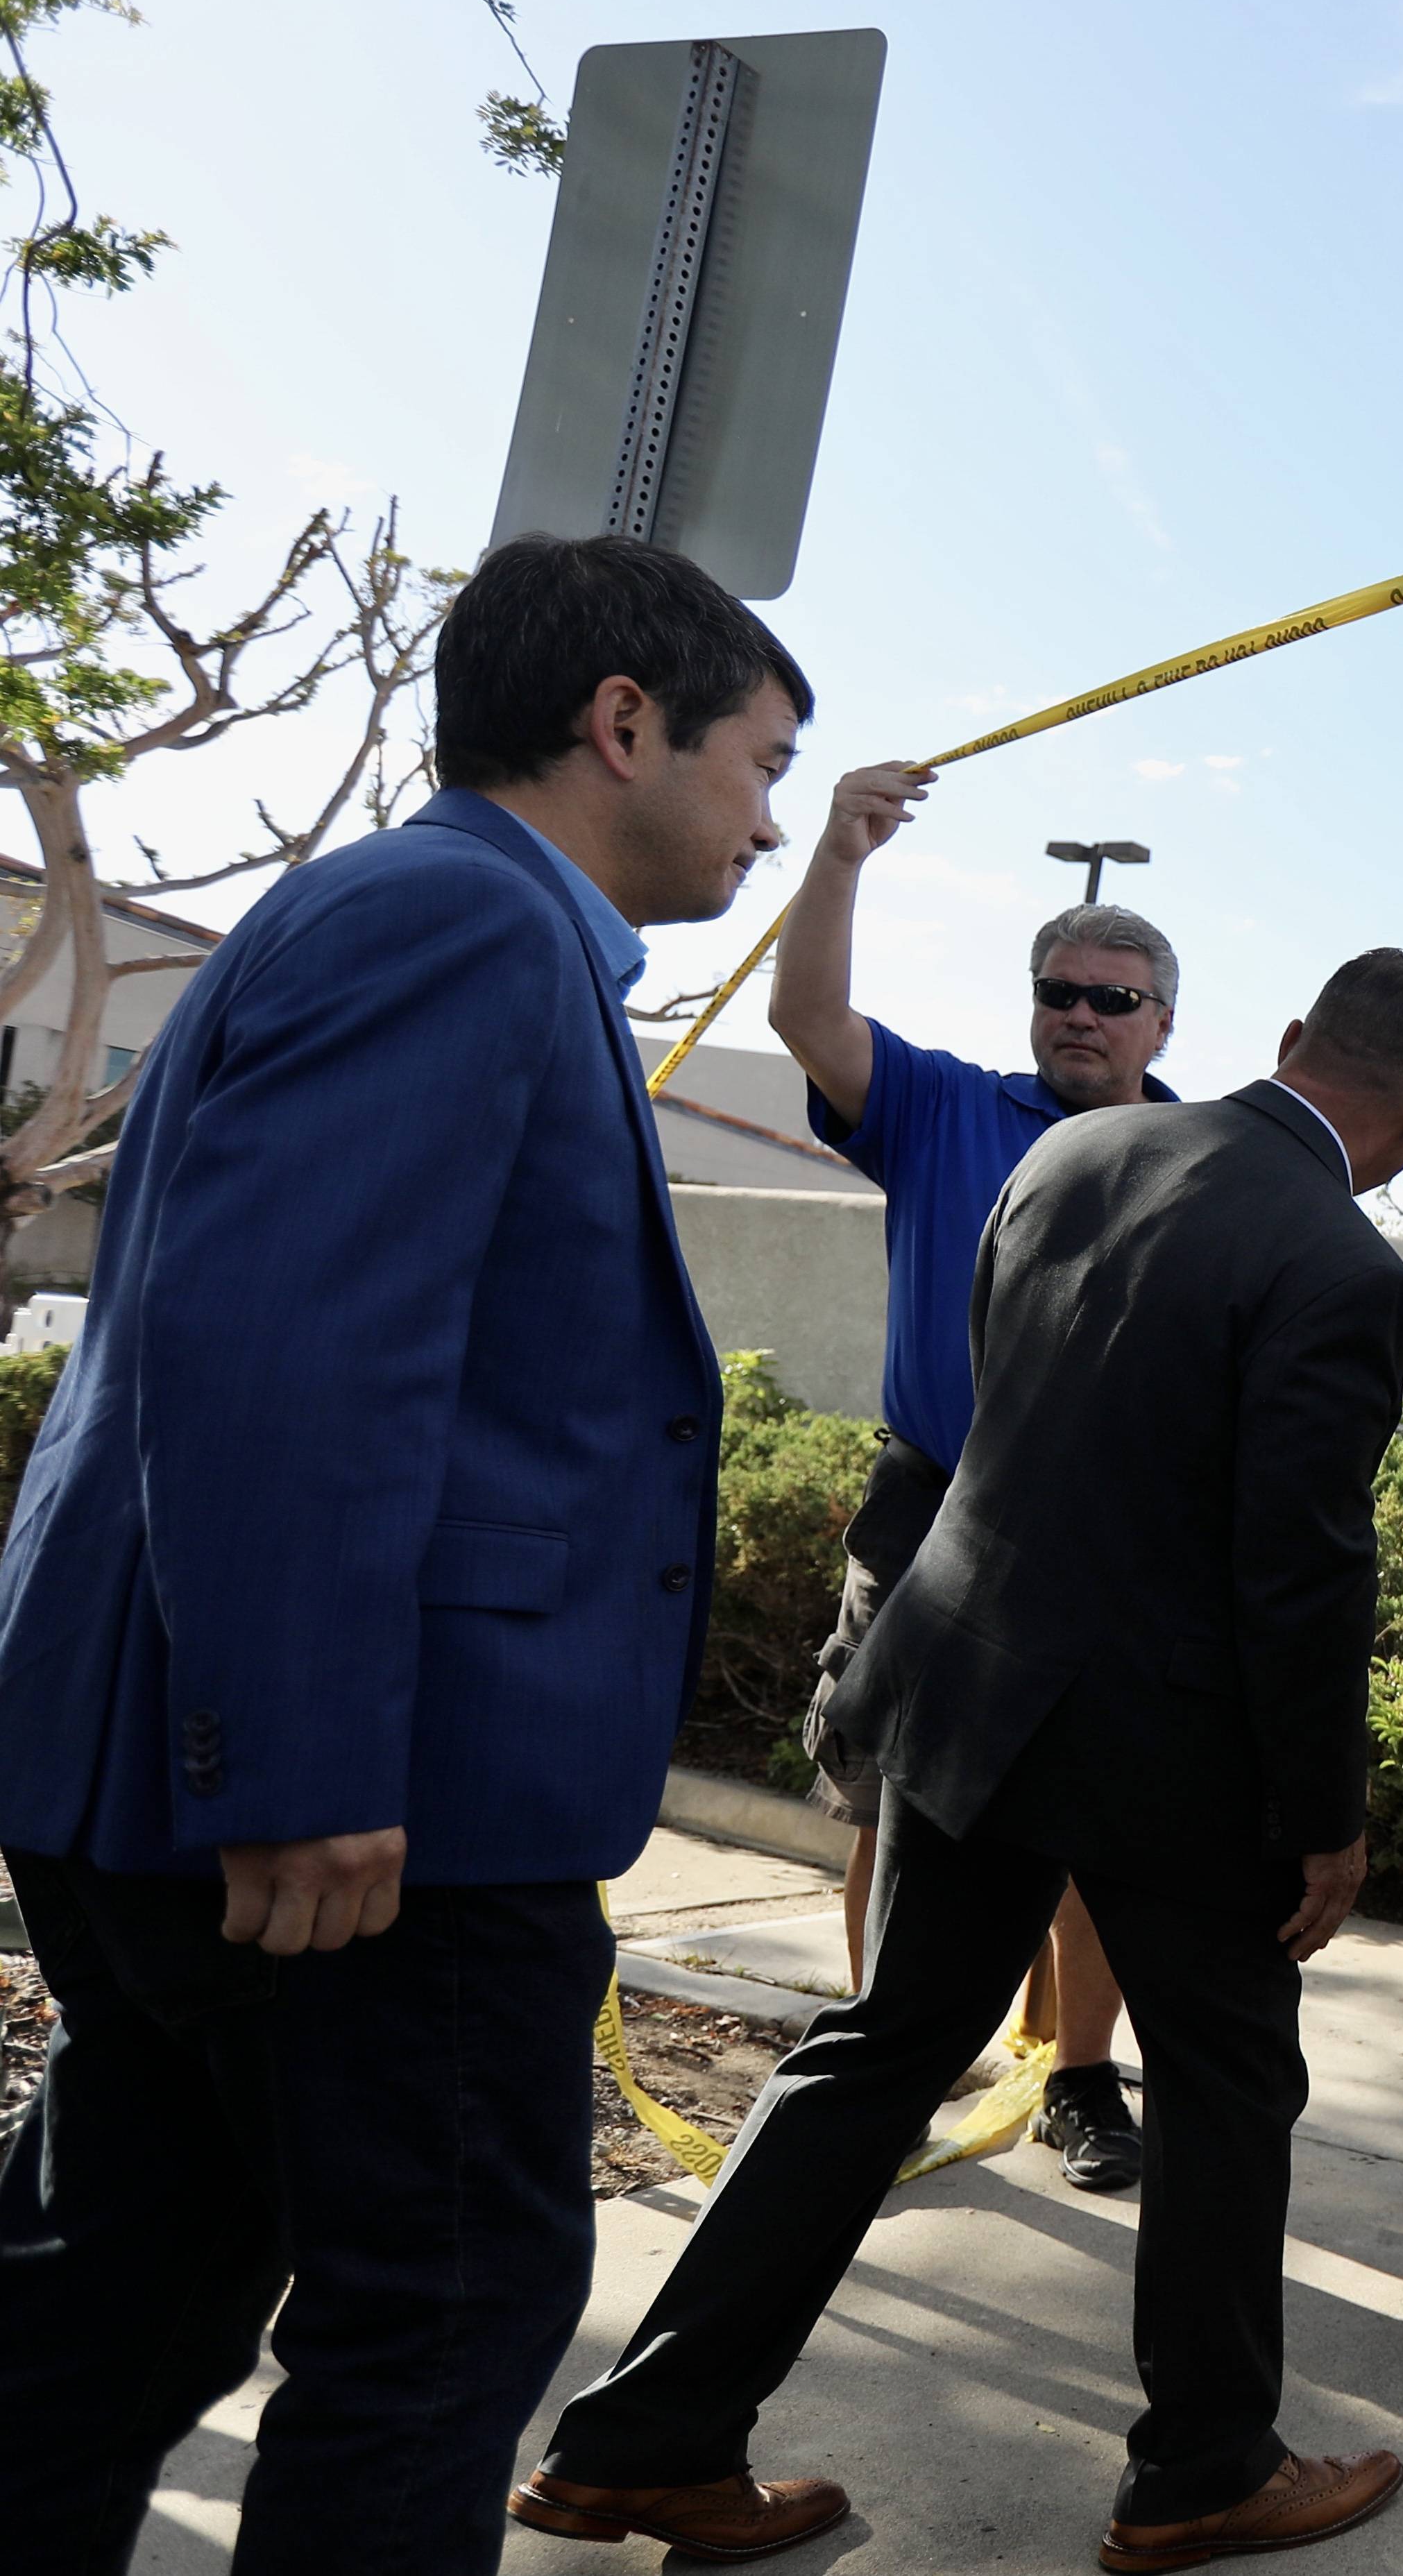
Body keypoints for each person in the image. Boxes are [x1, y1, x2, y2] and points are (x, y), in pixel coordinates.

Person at [0, 534, 801, 2573]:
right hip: (370, 1823)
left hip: (203, 1791)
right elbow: (290, 1355)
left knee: (134, 2279)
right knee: (439, 2315)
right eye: (759, 759)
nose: (769, 816)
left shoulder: (405, 911)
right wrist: (308, 1766)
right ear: (624, 724)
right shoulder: (461, 919)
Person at [516, 951, 1403, 2573]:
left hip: (967, 1679)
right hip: (1163, 1748)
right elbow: (1299, 1567)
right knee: (1232, 2082)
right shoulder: (1340, 1265)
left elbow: (1001, 1414)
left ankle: (640, 2437)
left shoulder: (1071, 1155)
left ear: (1293, 1037)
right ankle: (1201, 2470)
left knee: (876, 2048)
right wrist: (1325, 1816)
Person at [775, 756, 1182, 2192]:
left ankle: (1079, 2077)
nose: (1077, 1016)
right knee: (883, 1800)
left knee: (1079, 1828)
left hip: (1091, 1535)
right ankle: (886, 2059)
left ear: (1160, 1022)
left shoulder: (1194, 1161)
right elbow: (805, 1017)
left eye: (1109, 998)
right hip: (925, 1507)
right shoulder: (942, 1108)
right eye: (1057, 992)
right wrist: (838, 851)